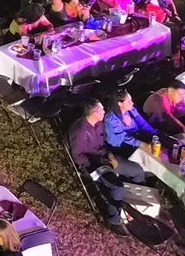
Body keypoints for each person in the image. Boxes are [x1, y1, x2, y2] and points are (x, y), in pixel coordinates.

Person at [67, 99, 148, 227]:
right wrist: (102, 163)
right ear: (94, 113)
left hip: (107, 158)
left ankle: (133, 206)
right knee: (117, 187)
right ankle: (113, 220)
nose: (105, 112)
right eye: (102, 110)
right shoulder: (80, 132)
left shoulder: (99, 124)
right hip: (92, 165)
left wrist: (110, 156)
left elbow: (105, 143)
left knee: (137, 171)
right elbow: (78, 157)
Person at [102, 90, 156, 154]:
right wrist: (141, 144)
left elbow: (142, 123)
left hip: (135, 138)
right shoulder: (111, 119)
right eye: (128, 101)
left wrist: (154, 132)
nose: (132, 103)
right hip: (121, 144)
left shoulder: (132, 110)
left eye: (131, 100)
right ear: (120, 104)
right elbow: (123, 137)